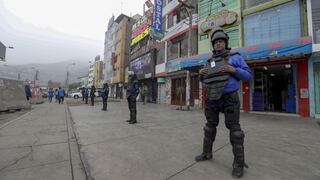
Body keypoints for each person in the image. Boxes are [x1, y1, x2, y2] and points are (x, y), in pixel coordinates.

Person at [194, 27, 252, 179]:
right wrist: (200, 75)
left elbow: (248, 75)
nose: (219, 44)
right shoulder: (209, 62)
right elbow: (206, 80)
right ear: (213, 45)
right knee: (209, 127)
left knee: (235, 131)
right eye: (216, 42)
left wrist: (234, 70)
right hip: (212, 97)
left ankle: (238, 164)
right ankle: (207, 153)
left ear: (225, 43)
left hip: (229, 97)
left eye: (221, 42)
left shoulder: (235, 57)